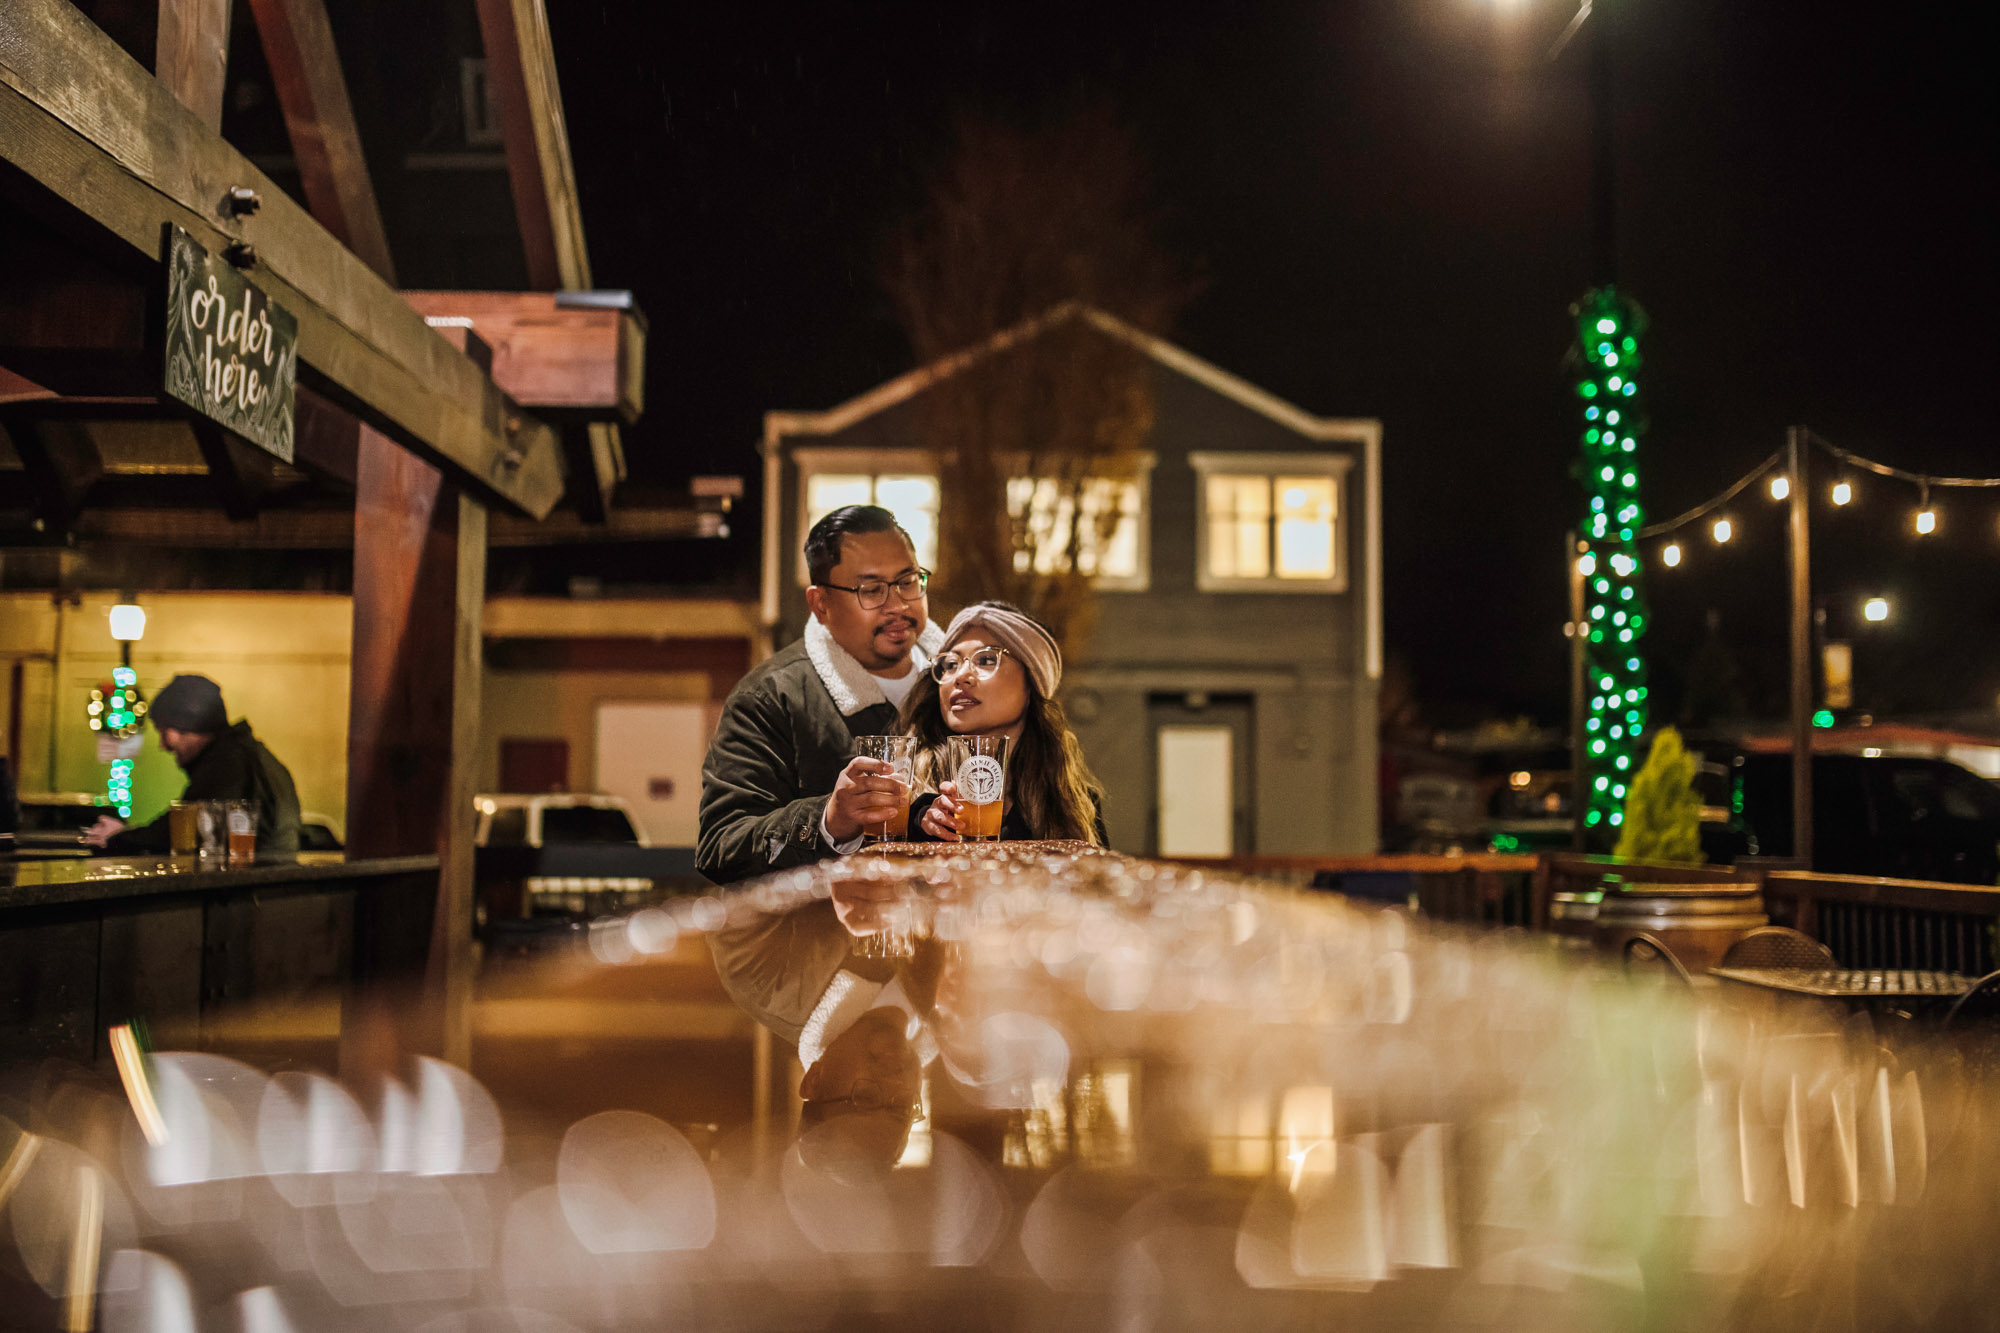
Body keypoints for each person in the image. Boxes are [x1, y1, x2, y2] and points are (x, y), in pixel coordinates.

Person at [697, 505, 945, 884]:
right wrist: (830, 820)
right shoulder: (770, 698)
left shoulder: (961, 686)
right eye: (872, 590)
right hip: (832, 939)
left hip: (953, 934)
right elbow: (721, 846)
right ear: (821, 604)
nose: (898, 605)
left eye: (908, 581)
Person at [903, 601, 1107, 845]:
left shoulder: (1075, 803)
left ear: (1032, 685)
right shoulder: (904, 785)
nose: (961, 677)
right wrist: (918, 822)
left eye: (986, 660)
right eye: (951, 664)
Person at [84, 673, 302, 857]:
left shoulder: (228, 762)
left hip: (251, 894)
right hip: (266, 888)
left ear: (187, 724)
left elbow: (186, 829)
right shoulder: (245, 754)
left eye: (163, 731)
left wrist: (121, 838)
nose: (163, 746)